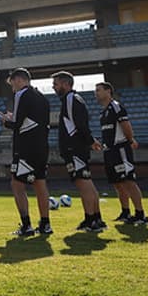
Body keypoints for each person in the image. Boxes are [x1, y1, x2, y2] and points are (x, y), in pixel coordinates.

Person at [0, 67, 52, 237]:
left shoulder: (21, 94)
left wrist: (6, 121)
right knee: (40, 182)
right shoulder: (42, 97)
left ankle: (26, 224)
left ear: (18, 79)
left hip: (25, 147)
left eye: (12, 83)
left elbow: (17, 124)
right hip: (41, 145)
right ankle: (45, 224)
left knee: (16, 183)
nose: (12, 87)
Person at [52, 71, 105, 232]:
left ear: (66, 84)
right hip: (77, 148)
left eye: (56, 84)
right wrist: (90, 141)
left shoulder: (70, 99)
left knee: (83, 183)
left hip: (74, 149)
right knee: (87, 182)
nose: (54, 87)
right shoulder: (73, 99)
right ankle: (96, 218)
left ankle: (91, 220)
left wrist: (89, 141)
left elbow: (80, 126)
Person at [93, 82, 148, 225]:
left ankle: (140, 214)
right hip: (109, 151)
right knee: (117, 183)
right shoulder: (103, 112)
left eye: (98, 90)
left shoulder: (116, 107)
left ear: (108, 91)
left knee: (129, 181)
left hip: (121, 149)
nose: (96, 93)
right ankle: (125, 212)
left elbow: (126, 125)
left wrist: (130, 140)